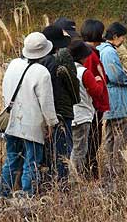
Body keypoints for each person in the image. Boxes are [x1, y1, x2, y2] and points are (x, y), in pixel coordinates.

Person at [0, 32, 58, 201]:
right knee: (32, 160)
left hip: (12, 122)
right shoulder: (42, 72)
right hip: (32, 124)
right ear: (44, 52)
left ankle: (1, 194)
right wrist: (51, 124)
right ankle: (26, 195)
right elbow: (47, 103)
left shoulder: (13, 64)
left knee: (12, 158)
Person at [96, 22, 127, 184]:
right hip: (117, 101)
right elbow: (116, 75)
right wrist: (126, 76)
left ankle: (109, 169)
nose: (124, 40)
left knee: (111, 137)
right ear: (116, 36)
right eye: (123, 36)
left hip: (109, 101)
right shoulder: (109, 52)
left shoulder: (100, 50)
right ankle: (117, 171)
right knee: (119, 137)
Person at [42, 25, 80, 183]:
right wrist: (75, 99)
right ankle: (62, 185)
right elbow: (73, 82)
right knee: (63, 150)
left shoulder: (36, 60)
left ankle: (49, 184)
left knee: (48, 151)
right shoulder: (63, 56)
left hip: (44, 111)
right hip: (62, 110)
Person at [68, 40, 104, 181]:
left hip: (69, 115)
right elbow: (96, 92)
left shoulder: (66, 69)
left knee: (70, 149)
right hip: (82, 116)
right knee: (80, 150)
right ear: (82, 57)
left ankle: (69, 177)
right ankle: (75, 179)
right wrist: (99, 80)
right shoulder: (84, 72)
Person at [80, 19, 110, 180]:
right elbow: (93, 80)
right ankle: (90, 177)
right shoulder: (90, 55)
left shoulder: (85, 51)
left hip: (89, 106)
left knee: (90, 143)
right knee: (92, 143)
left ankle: (90, 175)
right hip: (92, 107)